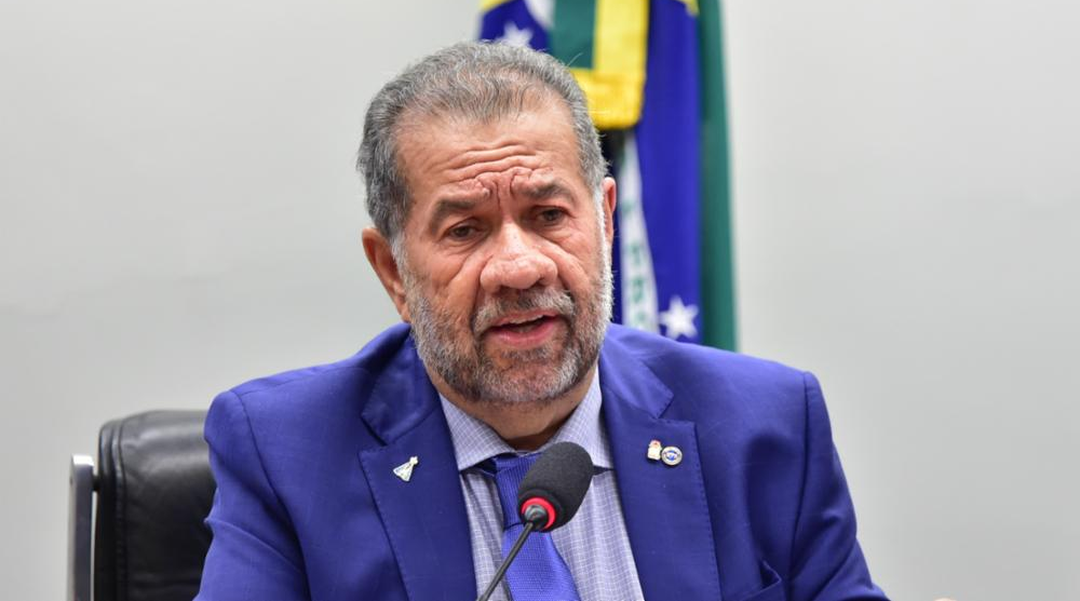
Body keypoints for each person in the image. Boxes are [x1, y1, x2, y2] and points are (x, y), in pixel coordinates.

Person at [195, 42, 887, 601]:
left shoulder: (767, 425)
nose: (520, 268)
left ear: (605, 222)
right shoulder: (286, 454)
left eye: (549, 215)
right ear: (393, 272)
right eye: (465, 230)